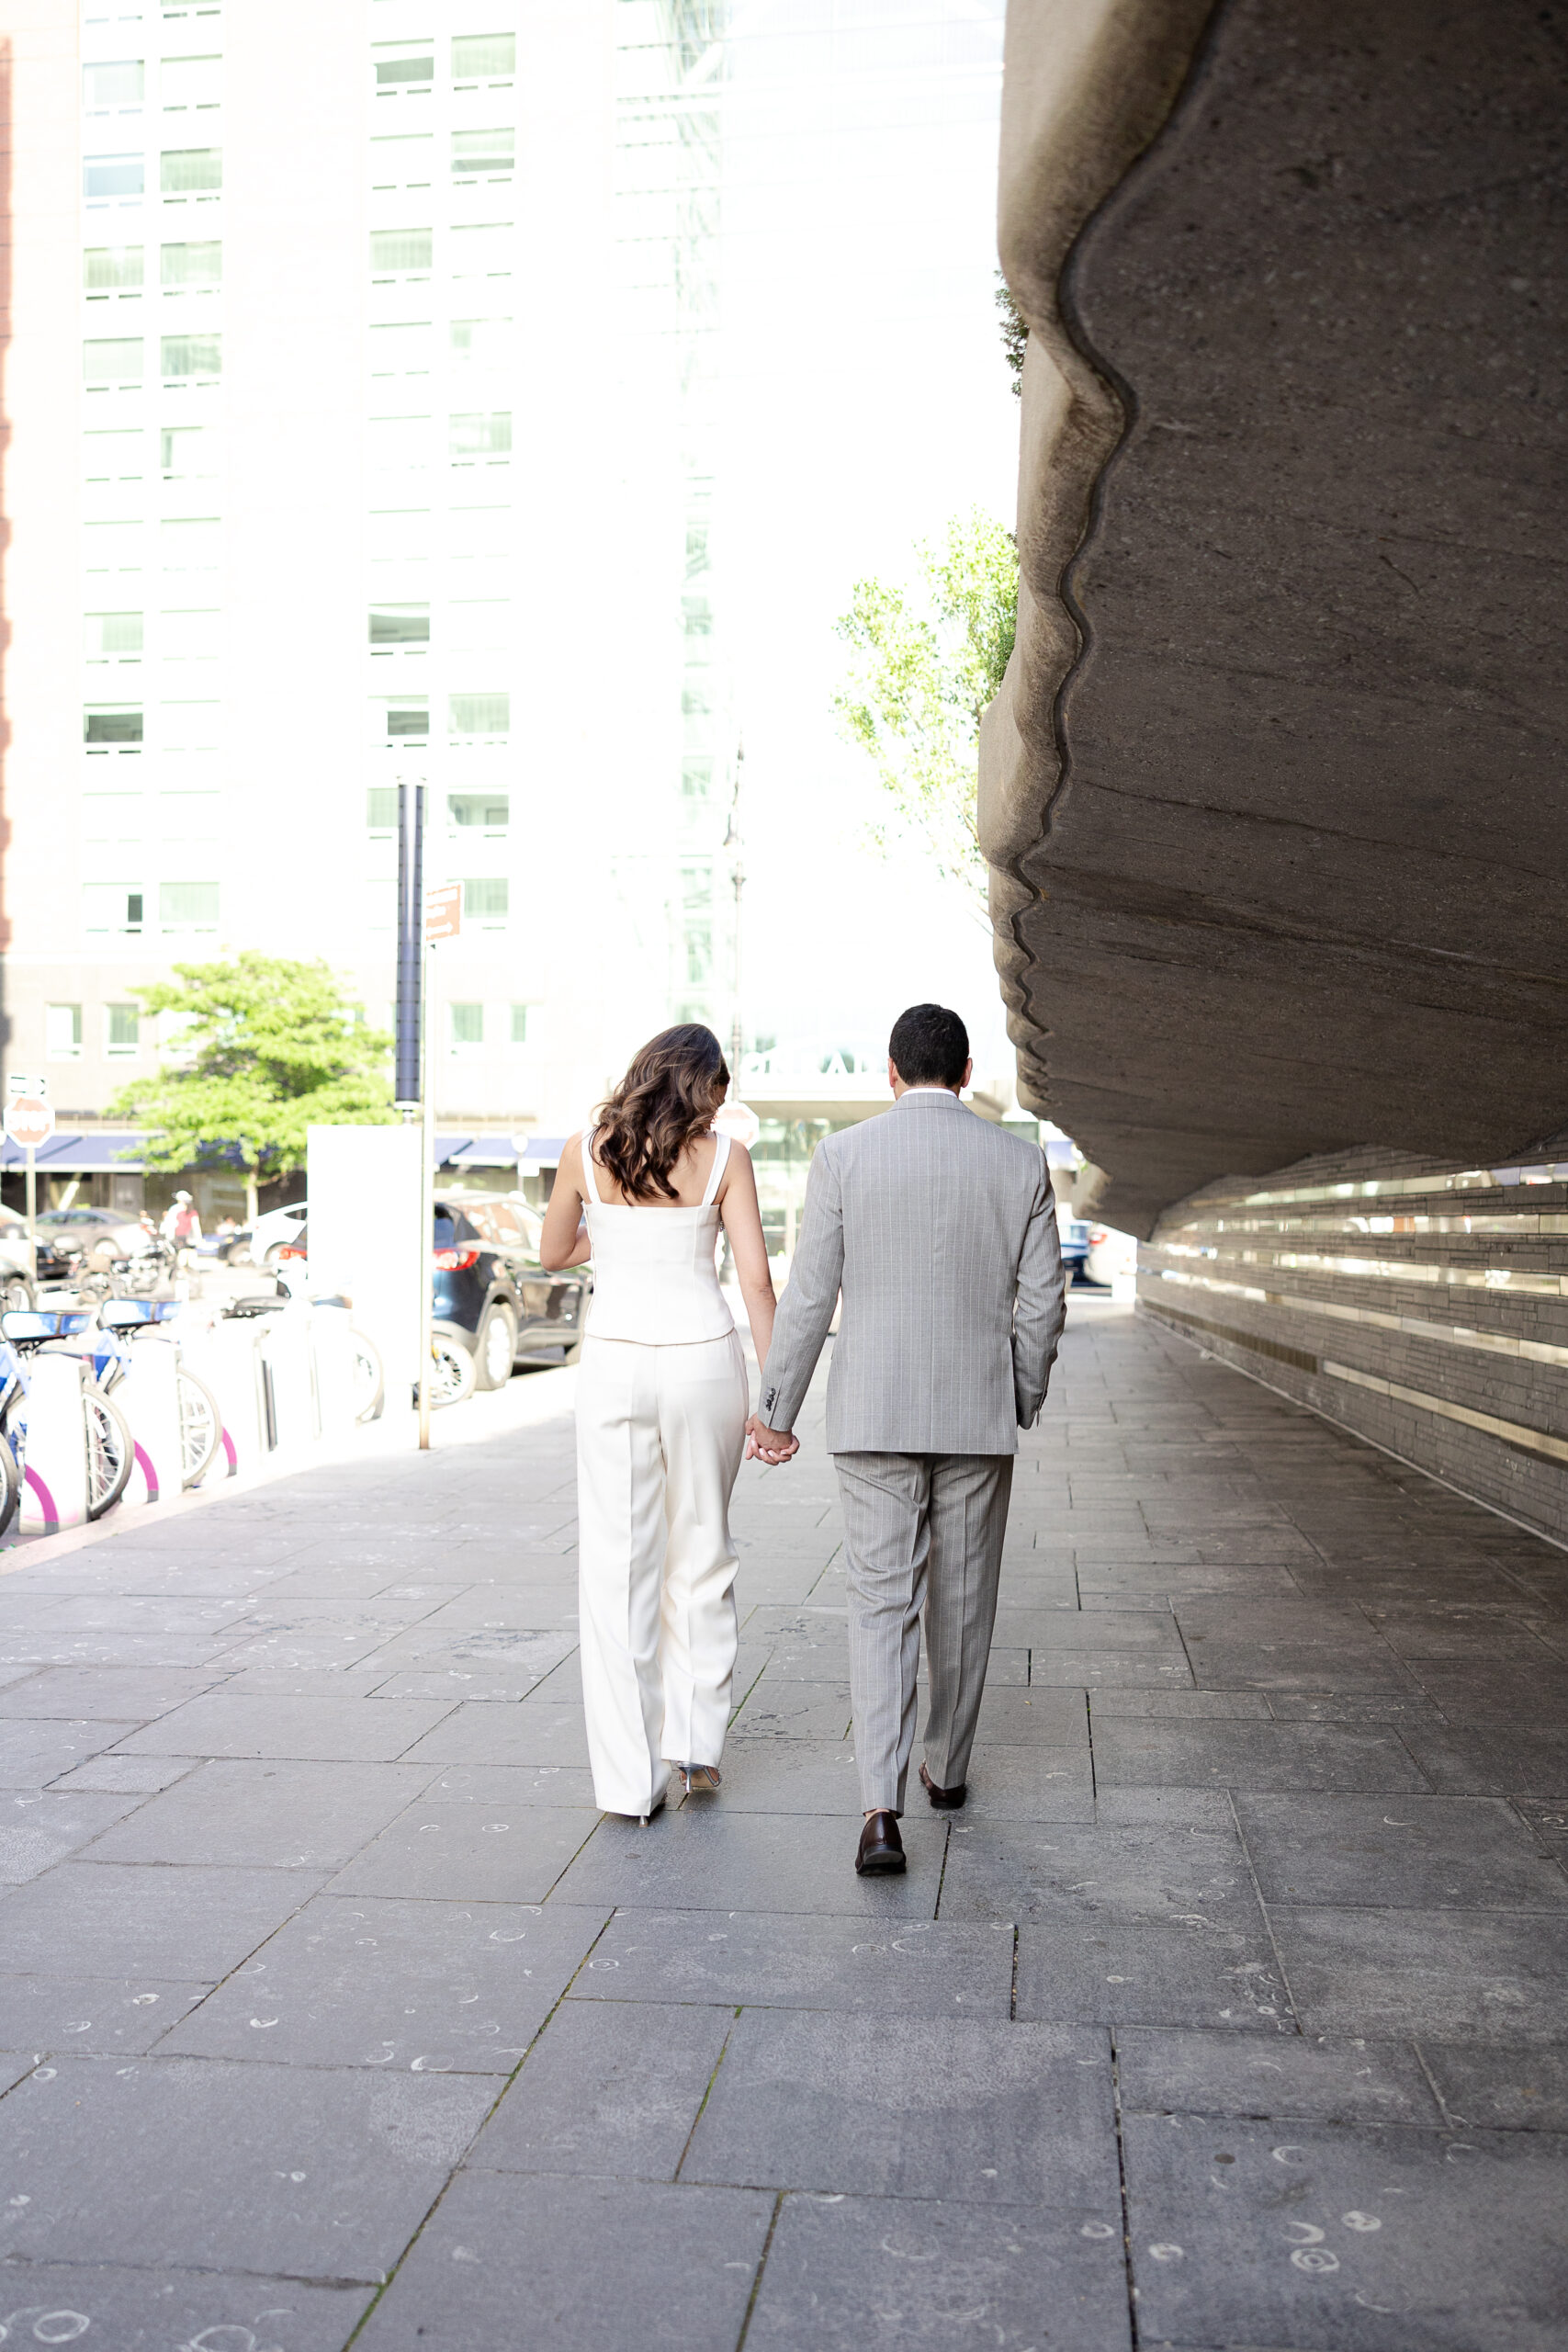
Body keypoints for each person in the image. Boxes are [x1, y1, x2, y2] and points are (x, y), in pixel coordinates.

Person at [747, 1003, 1066, 1877]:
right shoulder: (1019, 1162)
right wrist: (1018, 1396)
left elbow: (809, 1294)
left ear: (889, 1073)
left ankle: (879, 1810)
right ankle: (948, 1772)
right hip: (974, 1414)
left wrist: (774, 1411)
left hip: (873, 1417)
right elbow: (1042, 1306)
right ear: (964, 1073)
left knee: (880, 1606)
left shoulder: (843, 1157)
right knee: (962, 1602)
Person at [540, 1023, 779, 1823]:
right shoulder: (725, 1158)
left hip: (613, 1364)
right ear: (704, 1084)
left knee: (617, 1565)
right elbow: (755, 1284)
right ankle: (695, 1749)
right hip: (702, 1360)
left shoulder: (586, 1148)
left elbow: (552, 1253)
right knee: (702, 1550)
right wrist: (775, 1401)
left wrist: (609, 1234)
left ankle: (626, 1784)